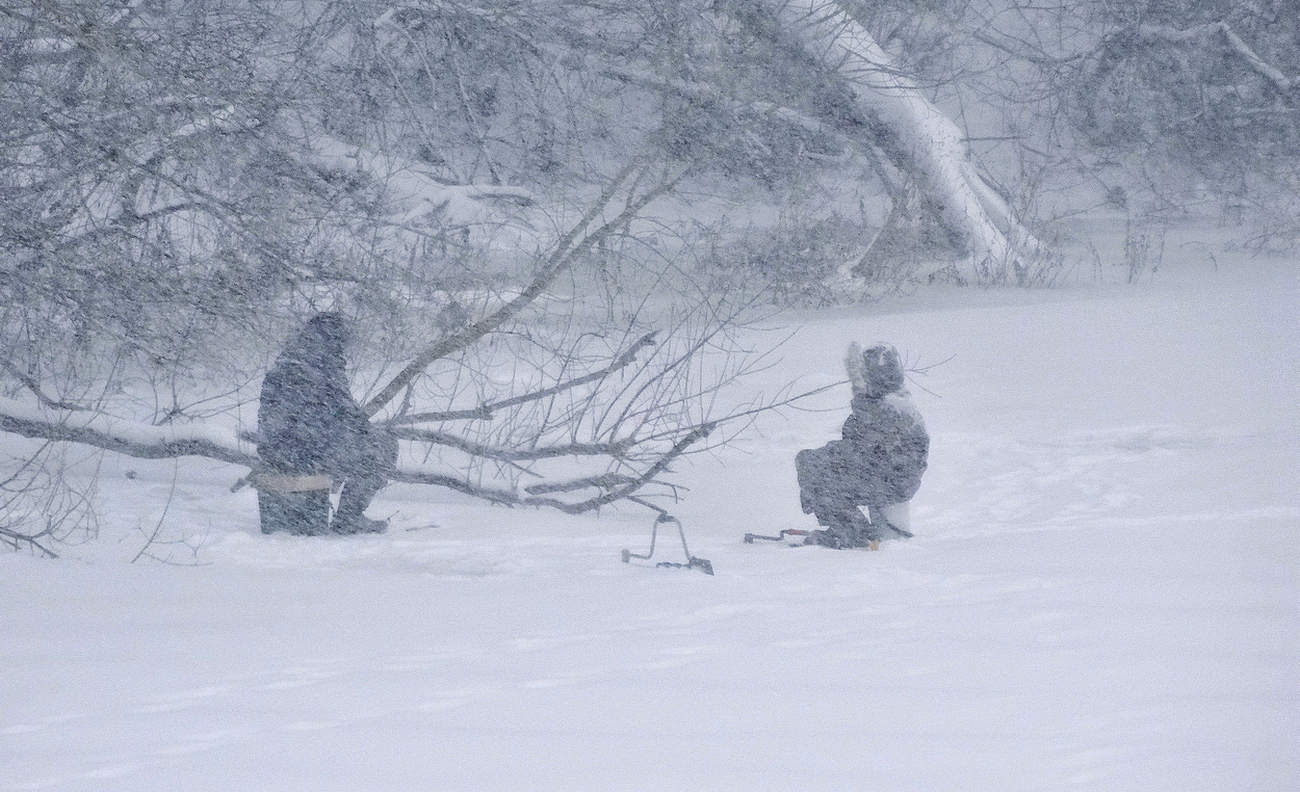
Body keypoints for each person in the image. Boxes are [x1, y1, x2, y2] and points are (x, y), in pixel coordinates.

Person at [255, 312, 397, 535]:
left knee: (360, 444)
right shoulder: (323, 363)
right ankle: (349, 518)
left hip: (276, 452)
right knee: (382, 446)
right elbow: (347, 414)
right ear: (335, 339)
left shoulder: (287, 360)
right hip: (308, 452)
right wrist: (364, 431)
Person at [795, 342, 928, 548]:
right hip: (890, 478)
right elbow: (861, 441)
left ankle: (850, 532)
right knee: (820, 465)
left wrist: (830, 458)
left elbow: (864, 439)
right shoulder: (895, 399)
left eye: (866, 372)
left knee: (815, 470)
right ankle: (853, 527)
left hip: (889, 482)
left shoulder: (890, 407)